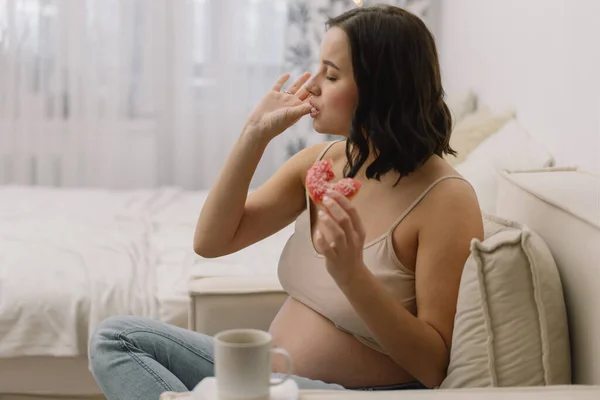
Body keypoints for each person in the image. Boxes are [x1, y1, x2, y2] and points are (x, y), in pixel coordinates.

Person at [88, 5, 483, 399]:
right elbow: (211, 242)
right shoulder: (323, 162)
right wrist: (253, 136)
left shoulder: (446, 200)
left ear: (381, 88)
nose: (311, 86)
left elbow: (433, 367)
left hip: (351, 392)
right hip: (267, 379)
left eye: (331, 75)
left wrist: (352, 276)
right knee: (116, 339)